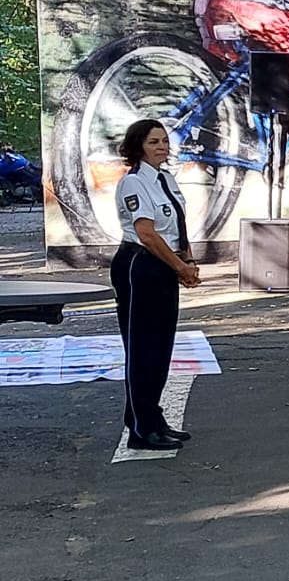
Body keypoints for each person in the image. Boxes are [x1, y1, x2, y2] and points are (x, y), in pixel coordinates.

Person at [112, 120, 202, 450]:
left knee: (161, 347)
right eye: (154, 142)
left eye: (164, 140)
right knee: (142, 349)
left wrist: (187, 262)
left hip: (166, 263)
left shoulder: (166, 179)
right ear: (138, 146)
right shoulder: (134, 183)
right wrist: (178, 265)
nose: (162, 146)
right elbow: (148, 234)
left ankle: (152, 417)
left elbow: (178, 225)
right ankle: (140, 428)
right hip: (141, 264)